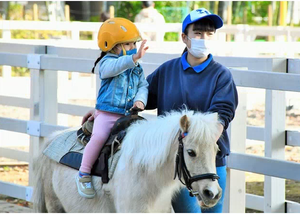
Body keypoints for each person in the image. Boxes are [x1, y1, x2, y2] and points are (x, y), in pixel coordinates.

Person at [82, 8, 238, 212]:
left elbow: (222, 114)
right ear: (185, 37)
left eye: (209, 34)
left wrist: (199, 147)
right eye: (198, 34)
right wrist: (104, 110)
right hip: (177, 165)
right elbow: (138, 96)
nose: (204, 39)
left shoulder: (221, 76)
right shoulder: (168, 70)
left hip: (211, 162)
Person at [75, 17, 149, 199]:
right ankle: (83, 174)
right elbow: (113, 69)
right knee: (99, 137)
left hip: (127, 115)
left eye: (134, 43)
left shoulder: (136, 67)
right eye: (128, 43)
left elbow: (143, 86)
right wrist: (132, 58)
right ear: (113, 45)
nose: (133, 47)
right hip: (107, 114)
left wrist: (140, 101)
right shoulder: (107, 63)